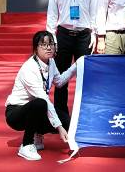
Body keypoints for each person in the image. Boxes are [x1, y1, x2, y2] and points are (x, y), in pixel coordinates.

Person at [45, 0, 98, 129]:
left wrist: (94, 34)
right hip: (63, 35)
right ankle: (62, 118)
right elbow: (52, 14)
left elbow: (94, 13)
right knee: (61, 79)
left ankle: (86, 115)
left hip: (84, 36)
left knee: (86, 76)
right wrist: (51, 39)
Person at [5, 30, 77, 161]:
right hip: (16, 112)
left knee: (66, 120)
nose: (48, 48)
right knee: (41, 103)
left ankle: (37, 134)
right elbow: (43, 99)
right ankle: (26, 145)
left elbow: (59, 82)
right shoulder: (29, 68)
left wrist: (76, 66)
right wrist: (59, 127)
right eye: (43, 45)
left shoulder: (51, 62)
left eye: (51, 44)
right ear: (35, 49)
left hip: (36, 108)